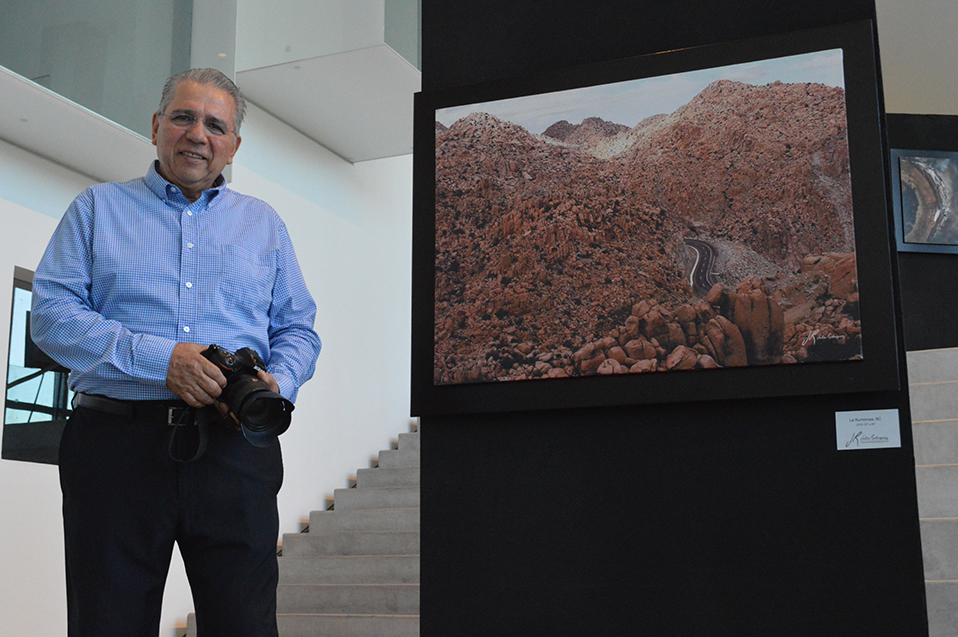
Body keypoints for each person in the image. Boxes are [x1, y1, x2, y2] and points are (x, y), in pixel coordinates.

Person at [30, 68, 321, 637]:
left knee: (246, 626)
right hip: (115, 451)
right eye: (184, 117)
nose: (198, 134)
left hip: (236, 448)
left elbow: (299, 329)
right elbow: (51, 317)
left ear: (233, 145)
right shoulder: (95, 210)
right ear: (157, 125)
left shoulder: (264, 225)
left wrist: (277, 383)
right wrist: (161, 359)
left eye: (216, 125)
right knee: (107, 624)